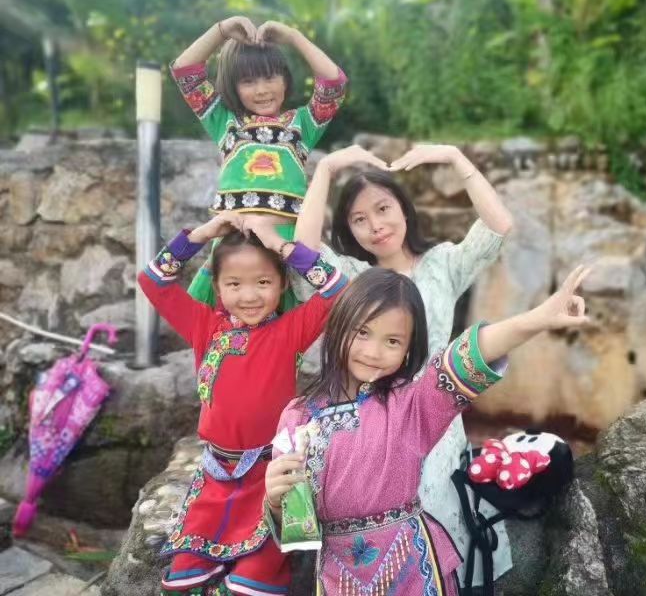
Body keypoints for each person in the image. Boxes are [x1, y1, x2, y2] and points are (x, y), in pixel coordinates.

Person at [265, 263, 591, 594]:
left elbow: (470, 355)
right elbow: (297, 527)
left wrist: (538, 318)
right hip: (339, 579)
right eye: (362, 332)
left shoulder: (414, 404)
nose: (373, 351)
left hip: (413, 570)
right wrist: (276, 503)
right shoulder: (298, 417)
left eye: (393, 341)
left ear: (409, 349)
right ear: (338, 326)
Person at [289, 143, 516, 584]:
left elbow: (498, 226)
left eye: (383, 208)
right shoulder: (353, 278)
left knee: (438, 505)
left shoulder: (442, 264)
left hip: (434, 411)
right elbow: (303, 253)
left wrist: (455, 157)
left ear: (404, 209)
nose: (375, 225)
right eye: (359, 219)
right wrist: (327, 169)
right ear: (349, 230)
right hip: (371, 419)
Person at [137, 212, 347, 595]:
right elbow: (152, 280)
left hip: (270, 477)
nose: (249, 296)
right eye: (234, 284)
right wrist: (202, 235)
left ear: (283, 283)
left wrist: (279, 243)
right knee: (183, 578)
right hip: (215, 477)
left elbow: (337, 289)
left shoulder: (290, 331)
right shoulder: (204, 326)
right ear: (218, 287)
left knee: (253, 583)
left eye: (263, 282)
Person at [171, 16, 347, 308]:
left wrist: (293, 36)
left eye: (270, 77)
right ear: (234, 86)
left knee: (287, 326)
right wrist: (222, 30)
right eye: (249, 81)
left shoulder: (303, 125)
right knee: (224, 321)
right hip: (233, 245)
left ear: (285, 79)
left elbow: (334, 84)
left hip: (285, 246)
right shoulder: (225, 123)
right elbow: (184, 71)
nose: (262, 89)